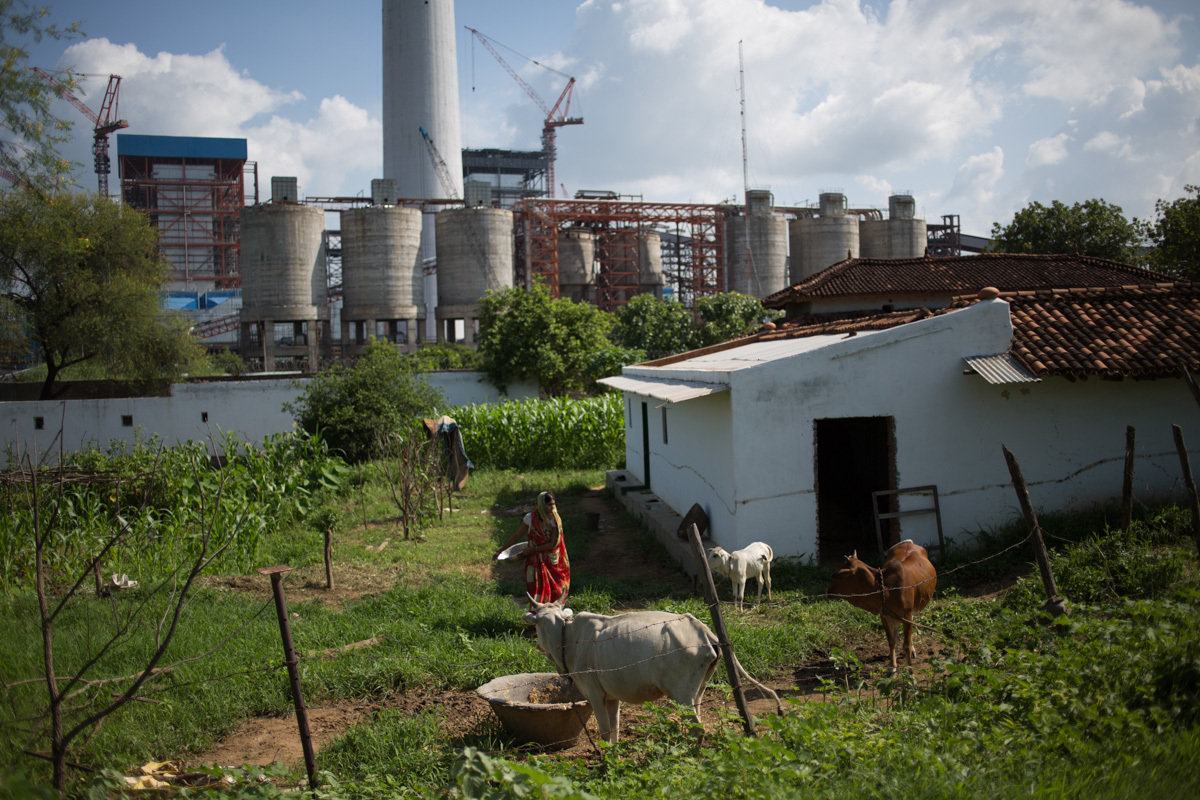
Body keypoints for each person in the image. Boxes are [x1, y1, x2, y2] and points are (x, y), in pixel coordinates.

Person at [494, 491, 570, 605]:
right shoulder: (530, 518)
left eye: (553, 504)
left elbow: (552, 544)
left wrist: (533, 549)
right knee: (535, 588)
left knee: (556, 587)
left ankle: (554, 613)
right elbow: (516, 536)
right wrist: (500, 551)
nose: (552, 507)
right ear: (541, 505)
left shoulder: (555, 520)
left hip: (552, 560)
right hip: (534, 561)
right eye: (549, 505)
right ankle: (537, 613)